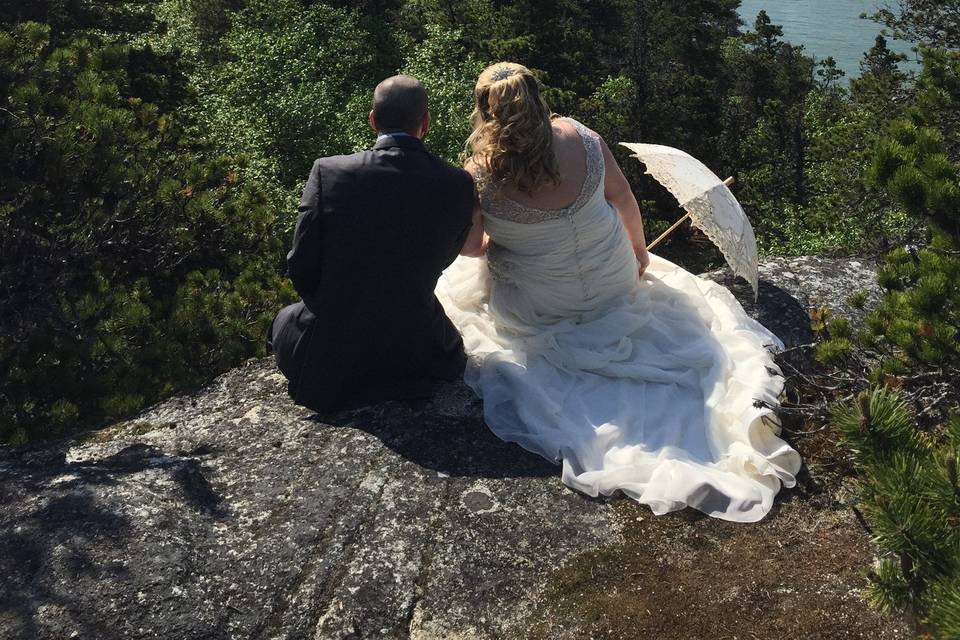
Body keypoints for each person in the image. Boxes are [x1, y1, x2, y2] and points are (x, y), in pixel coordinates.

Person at [435, 62, 802, 522]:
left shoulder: (478, 174)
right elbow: (623, 199)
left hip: (541, 303)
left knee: (460, 287)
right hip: (614, 278)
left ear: (484, 113)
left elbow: (472, 249)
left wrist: (510, 238)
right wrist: (639, 255)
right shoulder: (582, 139)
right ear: (536, 97)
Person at [268, 75, 475, 414]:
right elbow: (446, 257)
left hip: (333, 352)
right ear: (425, 122)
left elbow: (302, 264)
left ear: (373, 120)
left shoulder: (329, 173)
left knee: (284, 322)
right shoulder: (456, 183)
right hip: (420, 349)